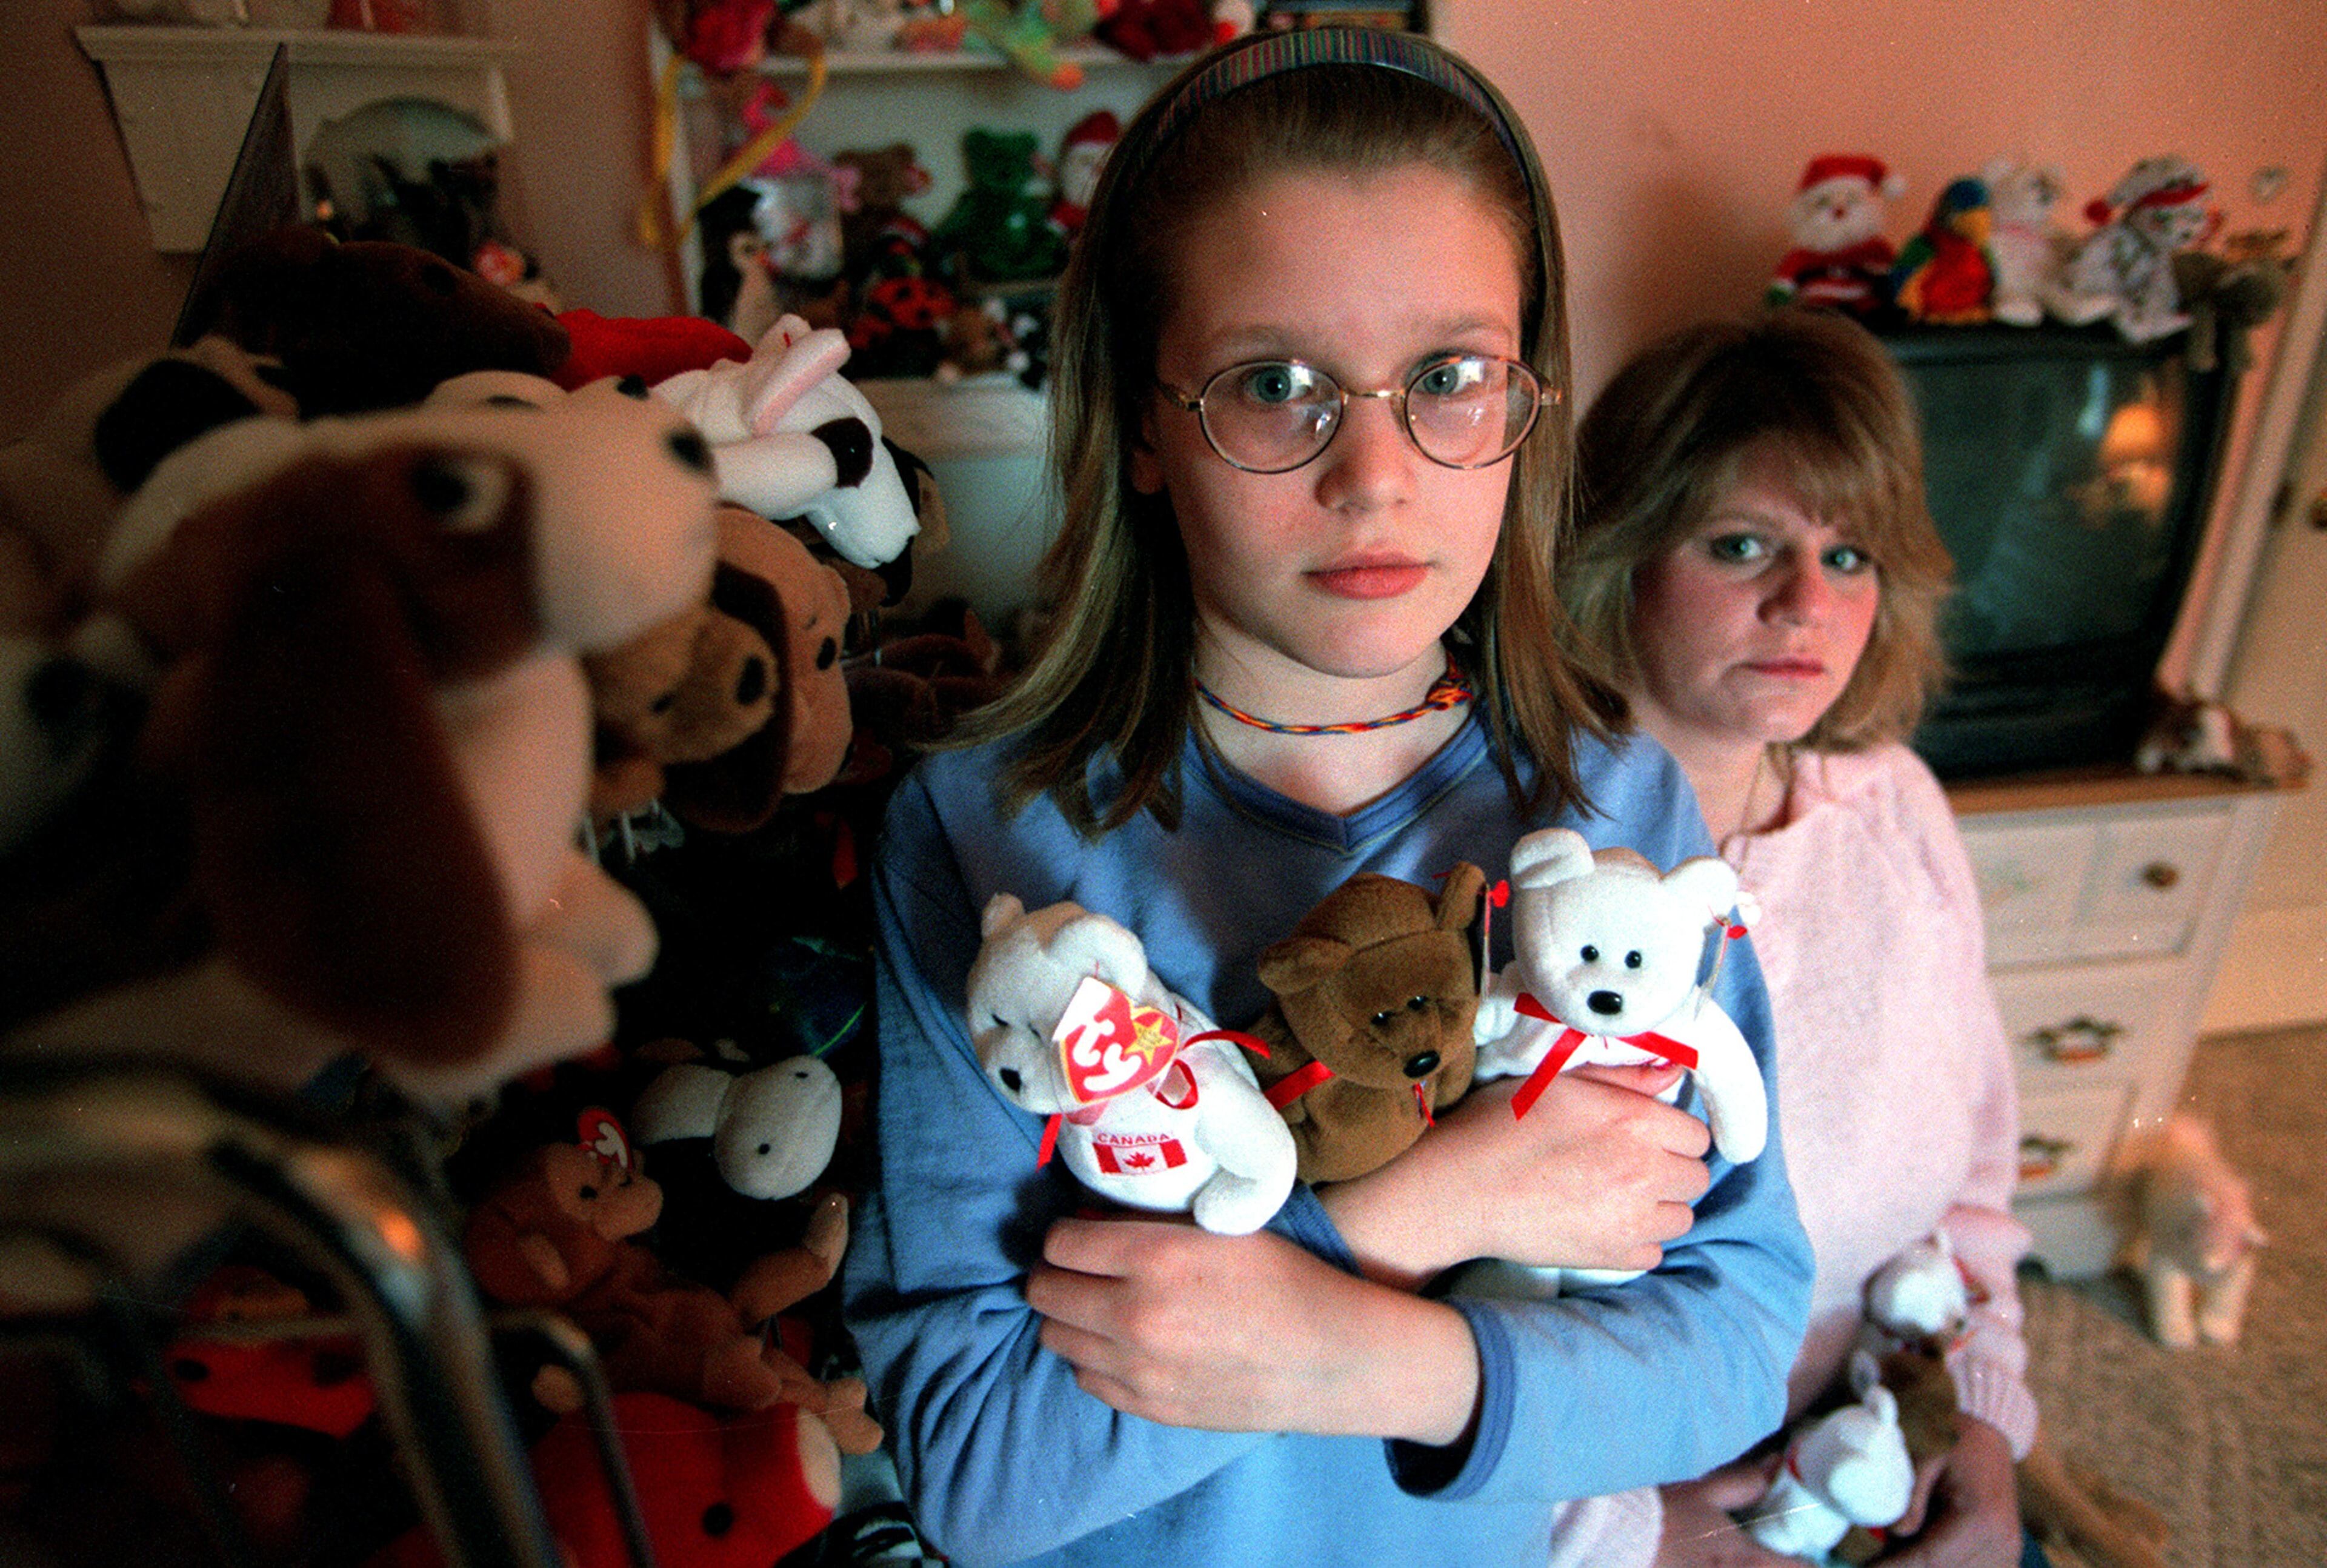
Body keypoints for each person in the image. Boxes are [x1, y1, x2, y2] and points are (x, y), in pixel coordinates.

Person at [839, 28, 1814, 1568]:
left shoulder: (1621, 811)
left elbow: (1734, 1343)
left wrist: (1355, 1357)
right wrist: (1412, 1213)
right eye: (1274, 385)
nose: (1376, 473)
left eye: (1449, 376)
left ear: (1525, 404)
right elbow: (980, 1470)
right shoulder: (982, 833)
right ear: (1147, 424)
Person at [1560, 307, 2039, 1567]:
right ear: (1619, 558)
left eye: (1850, 557)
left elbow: (1975, 1198)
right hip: (1611, 1508)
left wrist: (1984, 1444)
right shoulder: (1533, 885)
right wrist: (1641, 1536)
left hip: (1881, 1432)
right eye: (1742, 545)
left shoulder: (1897, 806)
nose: (1803, 604)